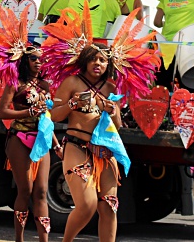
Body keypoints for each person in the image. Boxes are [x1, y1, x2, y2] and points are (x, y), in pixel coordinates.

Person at [0, 7, 61, 242]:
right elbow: (2, 112)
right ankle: (19, 239)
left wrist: (56, 144)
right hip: (20, 139)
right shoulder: (14, 84)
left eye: (41, 59)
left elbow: (46, 118)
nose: (39, 62)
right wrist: (28, 110)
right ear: (25, 61)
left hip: (42, 140)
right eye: (34, 58)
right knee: (24, 191)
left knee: (42, 192)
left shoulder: (45, 87)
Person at [50, 44, 122, 242]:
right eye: (93, 58)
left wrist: (112, 110)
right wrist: (72, 105)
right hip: (76, 147)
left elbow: (118, 125)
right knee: (87, 205)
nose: (97, 63)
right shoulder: (72, 82)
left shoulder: (111, 88)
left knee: (109, 206)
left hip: (105, 152)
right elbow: (53, 115)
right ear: (85, 60)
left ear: (108, 64)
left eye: (102, 60)